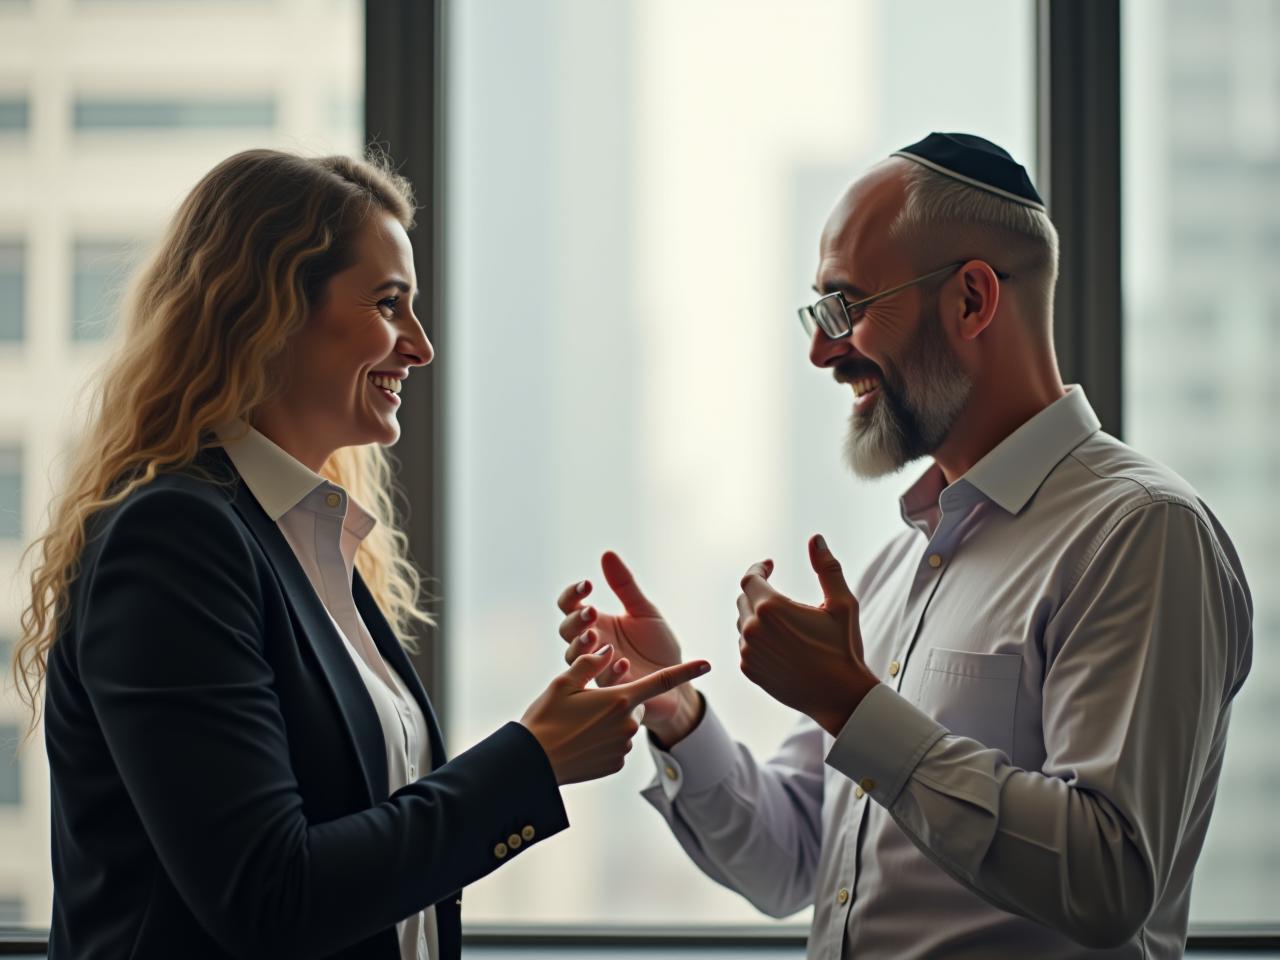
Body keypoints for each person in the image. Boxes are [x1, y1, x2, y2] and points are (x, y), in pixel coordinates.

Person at [556, 133, 1253, 958]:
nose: (820, 350)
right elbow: (799, 863)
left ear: (970, 301)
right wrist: (676, 714)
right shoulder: (898, 566)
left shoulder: (1139, 533)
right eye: (817, 313)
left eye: (845, 307)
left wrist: (852, 704)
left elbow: (1105, 880)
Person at [9, 148, 710, 960]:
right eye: (389, 305)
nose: (421, 346)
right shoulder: (174, 540)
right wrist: (532, 762)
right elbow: (271, 896)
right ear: (266, 310)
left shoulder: (312, 545)